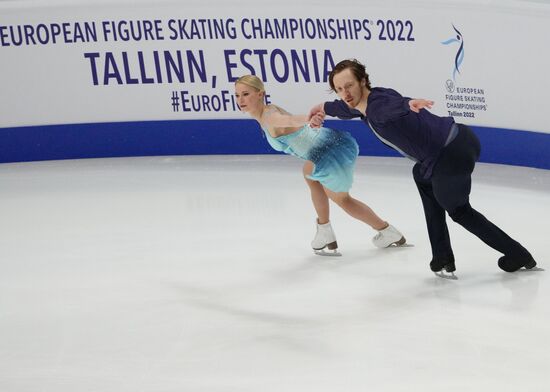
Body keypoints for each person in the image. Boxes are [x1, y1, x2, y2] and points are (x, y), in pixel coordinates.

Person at [308, 59, 537, 277]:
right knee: (422, 177)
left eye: (349, 85)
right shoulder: (364, 102)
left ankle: (518, 255)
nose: (345, 93)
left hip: (450, 154)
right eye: (339, 89)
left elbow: (395, 107)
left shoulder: (379, 107)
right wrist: (320, 109)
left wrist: (408, 104)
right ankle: (442, 257)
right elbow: (344, 108)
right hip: (454, 142)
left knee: (459, 211)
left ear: (362, 81)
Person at [234, 74, 406, 256]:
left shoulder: (269, 117)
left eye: (246, 94)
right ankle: (325, 230)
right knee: (308, 172)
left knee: (343, 200)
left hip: (330, 153)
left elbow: (288, 121)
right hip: (327, 146)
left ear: (260, 94)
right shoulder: (266, 112)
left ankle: (387, 231)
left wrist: (308, 119)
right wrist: (308, 122)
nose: (241, 100)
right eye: (237, 95)